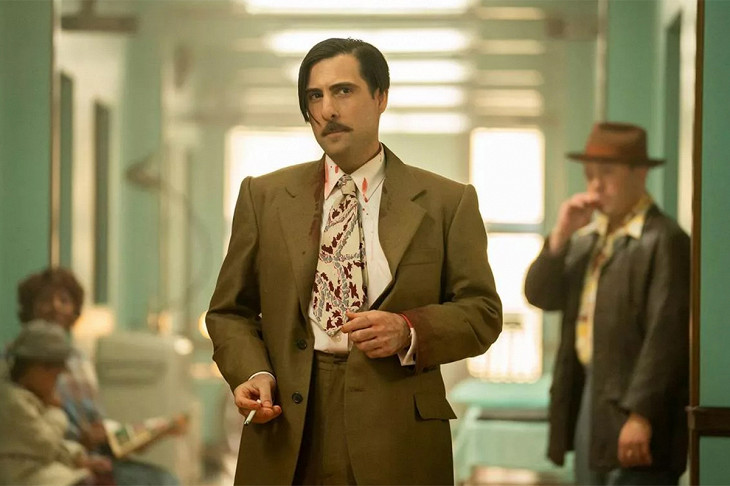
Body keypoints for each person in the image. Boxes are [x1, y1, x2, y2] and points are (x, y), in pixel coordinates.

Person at [206, 37, 502, 485]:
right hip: (287, 424)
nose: (327, 109)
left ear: (381, 97)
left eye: (343, 91)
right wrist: (253, 371)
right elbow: (230, 311)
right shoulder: (264, 197)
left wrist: (408, 329)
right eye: (314, 96)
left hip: (397, 430)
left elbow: (482, 312)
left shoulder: (446, 202)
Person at [524, 122, 690, 485]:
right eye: (590, 175)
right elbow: (540, 295)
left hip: (636, 405)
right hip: (590, 392)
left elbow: (667, 338)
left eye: (607, 173)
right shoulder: (588, 240)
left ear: (640, 173)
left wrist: (641, 415)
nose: (596, 185)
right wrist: (561, 235)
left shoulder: (665, 240)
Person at [16, 267, 180, 486]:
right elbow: (26, 430)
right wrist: (79, 442)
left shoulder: (79, 360)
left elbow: (96, 420)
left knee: (166, 479)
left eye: (64, 300)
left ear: (74, 310)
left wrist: (132, 437)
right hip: (59, 459)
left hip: (96, 454)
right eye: (46, 300)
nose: (55, 307)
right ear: (30, 308)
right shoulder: (19, 361)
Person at [0, 319, 113, 486]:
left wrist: (78, 458)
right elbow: (46, 445)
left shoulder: (30, 398)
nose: (55, 384)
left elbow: (52, 446)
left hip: (41, 470)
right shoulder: (13, 401)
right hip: (24, 477)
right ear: (37, 368)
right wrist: (55, 411)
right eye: (54, 375)